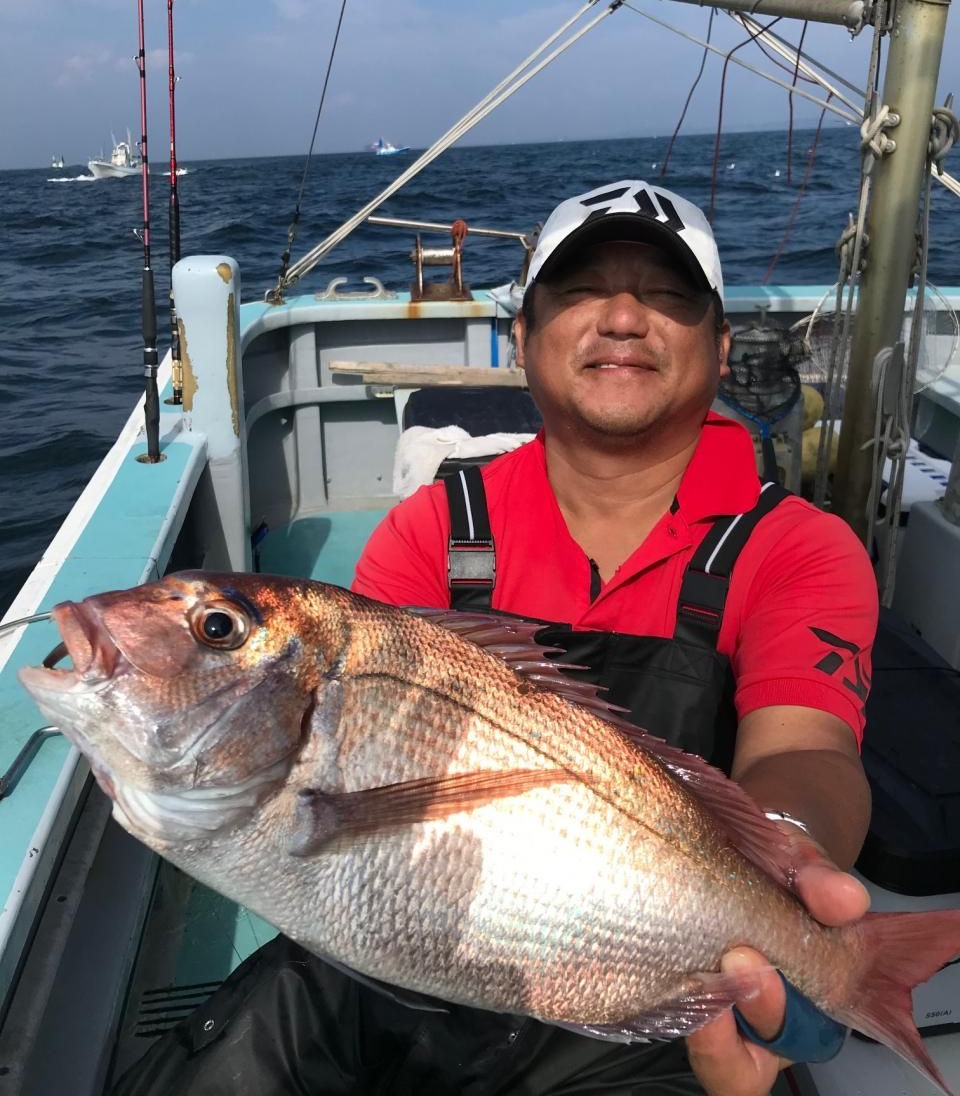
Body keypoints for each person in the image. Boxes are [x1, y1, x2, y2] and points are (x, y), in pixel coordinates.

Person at [114, 180, 878, 1096]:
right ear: (523, 337)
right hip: (417, 935)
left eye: (668, 295)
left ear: (719, 348)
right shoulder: (434, 527)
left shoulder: (798, 544)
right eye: (582, 290)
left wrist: (785, 856)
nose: (625, 317)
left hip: (652, 966)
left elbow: (808, 745)